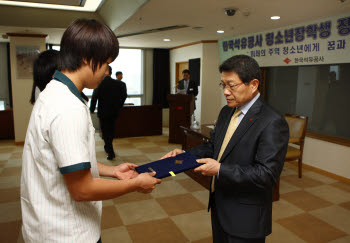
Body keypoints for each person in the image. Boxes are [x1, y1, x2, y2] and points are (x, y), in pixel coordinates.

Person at [21, 19, 161, 243]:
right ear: (87, 58)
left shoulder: (52, 92)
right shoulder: (67, 107)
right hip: (66, 233)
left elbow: (66, 161)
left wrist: (112, 171)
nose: (107, 71)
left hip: (45, 226)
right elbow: (82, 189)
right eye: (106, 63)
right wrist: (134, 184)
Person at [162, 55, 289, 243]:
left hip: (246, 217)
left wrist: (220, 169)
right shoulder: (227, 111)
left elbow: (266, 174)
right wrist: (185, 155)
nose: (226, 92)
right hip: (220, 205)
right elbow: (214, 146)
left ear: (253, 84)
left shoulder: (271, 121)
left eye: (232, 85)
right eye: (223, 85)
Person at [90, 67, 127, 160]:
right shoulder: (120, 84)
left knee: (105, 131)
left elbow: (94, 97)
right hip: (114, 112)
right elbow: (124, 96)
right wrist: (119, 106)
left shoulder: (99, 83)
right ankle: (107, 146)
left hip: (103, 112)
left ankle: (110, 151)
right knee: (110, 129)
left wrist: (92, 109)